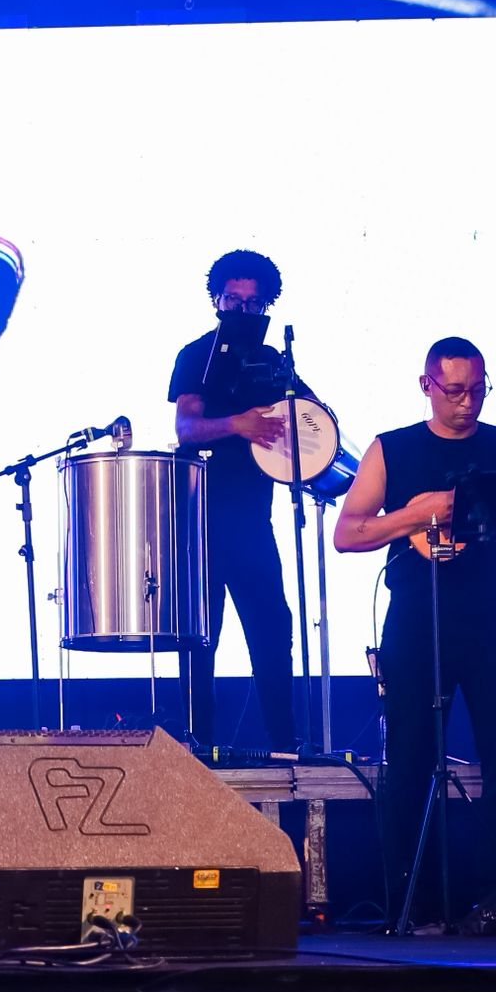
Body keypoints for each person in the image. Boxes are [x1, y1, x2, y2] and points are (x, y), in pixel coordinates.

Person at [334, 337, 496, 921]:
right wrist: (416, 517)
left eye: (478, 390)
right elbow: (348, 533)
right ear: (427, 385)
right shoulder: (394, 449)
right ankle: (412, 904)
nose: (467, 402)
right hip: (418, 623)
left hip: (489, 621)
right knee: (410, 760)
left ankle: (490, 901)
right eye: (454, 391)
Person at [168, 249, 311, 752]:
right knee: (200, 640)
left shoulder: (274, 364)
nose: (242, 311)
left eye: (253, 303)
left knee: (273, 632)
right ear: (216, 299)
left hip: (253, 521)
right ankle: (197, 751)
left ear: (267, 305)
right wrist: (239, 425)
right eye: (233, 299)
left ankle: (285, 747)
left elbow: (313, 424)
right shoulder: (195, 355)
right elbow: (185, 430)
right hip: (199, 523)